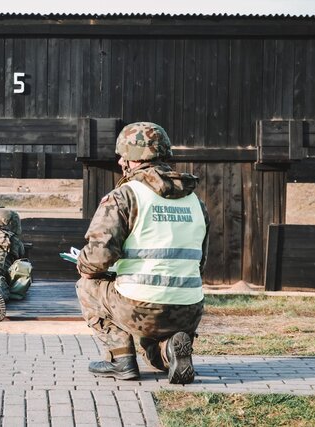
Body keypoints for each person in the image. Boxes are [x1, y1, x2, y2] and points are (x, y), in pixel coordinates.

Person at [76, 122, 209, 384]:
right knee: (155, 349)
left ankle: (121, 359)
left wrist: (83, 265)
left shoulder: (124, 196)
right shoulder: (196, 201)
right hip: (188, 308)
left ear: (128, 159)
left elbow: (98, 258)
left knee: (86, 285)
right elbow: (201, 261)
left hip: (140, 306)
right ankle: (170, 350)